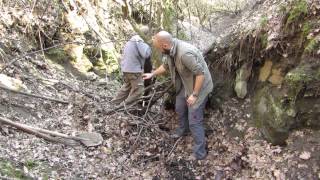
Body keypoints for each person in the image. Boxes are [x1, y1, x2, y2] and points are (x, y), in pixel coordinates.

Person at [143, 31, 213, 160]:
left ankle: (200, 154)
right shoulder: (170, 49)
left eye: (157, 46)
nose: (156, 49)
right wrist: (152, 74)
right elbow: (165, 66)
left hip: (199, 88)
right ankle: (183, 130)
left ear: (164, 45)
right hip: (186, 84)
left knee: (195, 122)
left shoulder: (184, 54)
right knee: (180, 107)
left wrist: (194, 95)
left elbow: (200, 74)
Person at [111, 27, 152, 106]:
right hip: (134, 69)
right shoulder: (139, 40)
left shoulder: (131, 40)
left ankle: (114, 103)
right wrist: (150, 45)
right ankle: (123, 106)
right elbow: (146, 54)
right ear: (146, 35)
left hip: (126, 68)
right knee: (139, 90)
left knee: (126, 87)